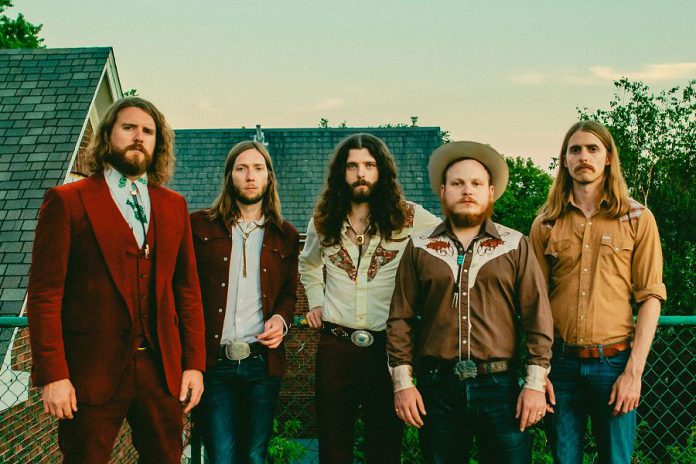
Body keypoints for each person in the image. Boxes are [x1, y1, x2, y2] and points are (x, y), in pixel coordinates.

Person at [26, 97, 206, 463]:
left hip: (161, 370)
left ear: (158, 144)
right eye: (128, 128)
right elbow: (45, 294)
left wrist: (194, 364)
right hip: (88, 372)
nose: (138, 137)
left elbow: (187, 291)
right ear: (108, 136)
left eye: (148, 131)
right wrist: (53, 375)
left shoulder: (174, 206)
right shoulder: (67, 201)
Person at [387, 141, 554, 464]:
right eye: (458, 183)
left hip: (500, 388)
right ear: (443, 190)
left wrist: (534, 384)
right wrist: (403, 384)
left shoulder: (514, 245)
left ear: (490, 192)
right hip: (437, 388)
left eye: (476, 183)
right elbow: (400, 318)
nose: (467, 190)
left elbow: (538, 318)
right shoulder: (420, 247)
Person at [298, 133, 442, 464]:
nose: (361, 173)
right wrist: (316, 301)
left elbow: (448, 244)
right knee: (334, 446)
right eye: (352, 166)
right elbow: (308, 263)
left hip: (387, 349)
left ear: (382, 171)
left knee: (384, 445)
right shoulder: (323, 219)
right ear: (341, 172)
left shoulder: (410, 217)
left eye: (369, 165)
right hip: (336, 347)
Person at [529, 121, 667, 463]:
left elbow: (650, 297)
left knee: (616, 459)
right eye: (574, 150)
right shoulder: (545, 223)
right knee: (564, 458)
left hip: (615, 363)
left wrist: (633, 373)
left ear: (608, 158)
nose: (583, 157)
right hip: (559, 366)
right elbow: (535, 302)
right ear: (564, 160)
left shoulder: (637, 218)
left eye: (593, 149)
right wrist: (538, 370)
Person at [190, 141, 299, 464]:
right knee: (221, 456)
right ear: (229, 177)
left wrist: (281, 320)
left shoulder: (285, 235)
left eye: (258, 168)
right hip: (214, 363)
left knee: (254, 456)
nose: (250, 176)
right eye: (241, 168)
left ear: (269, 178)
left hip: (261, 364)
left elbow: (289, 294)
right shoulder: (199, 227)